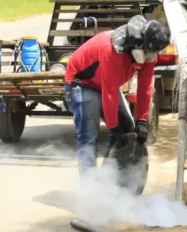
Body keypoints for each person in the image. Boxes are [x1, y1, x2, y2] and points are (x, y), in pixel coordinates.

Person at [64, 15, 171, 177]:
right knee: (89, 134)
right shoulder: (111, 49)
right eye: (149, 52)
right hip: (82, 82)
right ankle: (90, 189)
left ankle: (108, 180)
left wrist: (141, 121)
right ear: (139, 44)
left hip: (106, 83)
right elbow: (110, 92)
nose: (151, 56)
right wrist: (113, 128)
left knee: (126, 128)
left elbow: (145, 87)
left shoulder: (148, 51)